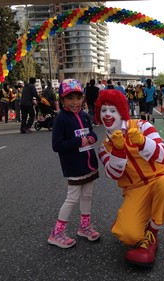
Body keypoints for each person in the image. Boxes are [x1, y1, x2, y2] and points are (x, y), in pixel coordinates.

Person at [94, 89, 164, 267]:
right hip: (135, 190)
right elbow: (113, 174)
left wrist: (143, 142)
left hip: (161, 179)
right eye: (103, 110)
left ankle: (152, 233)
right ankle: (131, 218)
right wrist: (118, 150)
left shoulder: (143, 126)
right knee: (127, 235)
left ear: (121, 111)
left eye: (112, 110)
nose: (107, 114)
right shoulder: (104, 147)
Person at [48, 78, 100, 249]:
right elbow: (57, 145)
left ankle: (84, 227)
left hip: (88, 165)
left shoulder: (85, 116)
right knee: (72, 198)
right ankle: (56, 233)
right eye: (70, 98)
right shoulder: (61, 119)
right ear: (62, 100)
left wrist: (92, 137)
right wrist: (78, 141)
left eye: (78, 98)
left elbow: (92, 133)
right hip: (73, 166)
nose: (75, 102)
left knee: (87, 196)